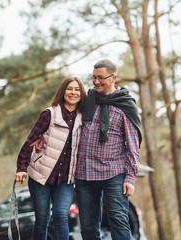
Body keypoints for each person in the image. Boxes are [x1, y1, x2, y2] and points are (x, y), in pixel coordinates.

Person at [75, 59, 142, 240]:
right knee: (88, 227)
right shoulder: (87, 100)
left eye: (101, 78)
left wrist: (130, 178)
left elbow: (133, 145)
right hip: (84, 173)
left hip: (114, 173)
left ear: (114, 78)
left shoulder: (126, 105)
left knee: (119, 222)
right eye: (93, 77)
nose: (96, 82)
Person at [14, 76, 86, 240]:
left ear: (81, 94)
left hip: (66, 179)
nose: (73, 92)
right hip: (41, 176)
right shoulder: (50, 114)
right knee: (42, 219)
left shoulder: (84, 118)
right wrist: (21, 168)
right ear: (63, 92)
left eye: (77, 89)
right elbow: (29, 142)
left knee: (61, 216)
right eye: (69, 89)